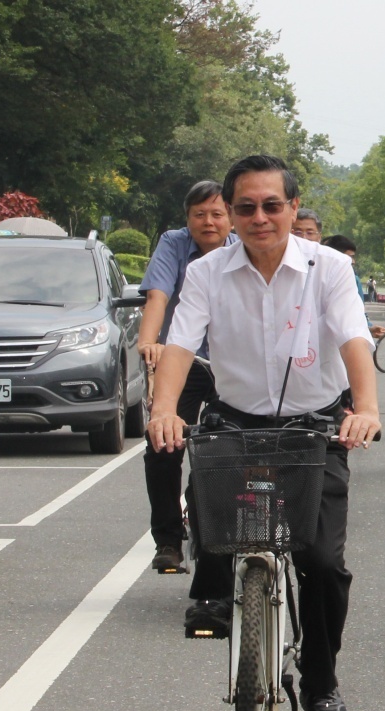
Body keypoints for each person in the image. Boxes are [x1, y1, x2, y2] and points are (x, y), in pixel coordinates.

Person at [147, 154, 381, 711]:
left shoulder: (328, 268)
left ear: (292, 208)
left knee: (322, 562)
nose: (259, 217)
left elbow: (353, 337)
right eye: (245, 207)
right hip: (236, 421)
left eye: (272, 205)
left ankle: (321, 680)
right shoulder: (205, 273)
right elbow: (179, 344)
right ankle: (213, 591)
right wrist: (162, 410)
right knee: (210, 499)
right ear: (228, 212)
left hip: (315, 426)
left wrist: (367, 407)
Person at [137, 181, 236, 574]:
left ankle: (215, 523)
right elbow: (158, 296)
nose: (209, 222)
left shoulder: (245, 247)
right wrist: (150, 342)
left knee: (232, 446)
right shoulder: (174, 245)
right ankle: (167, 539)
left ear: (230, 216)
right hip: (185, 359)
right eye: (200, 214)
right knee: (163, 443)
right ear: (187, 218)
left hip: (233, 363)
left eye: (217, 214)